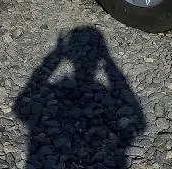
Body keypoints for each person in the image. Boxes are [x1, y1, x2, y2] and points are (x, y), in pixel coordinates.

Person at [13, 27, 145, 169]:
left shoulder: (61, 89)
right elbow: (138, 123)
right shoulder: (102, 89)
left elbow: (20, 107)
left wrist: (56, 55)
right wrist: (107, 60)